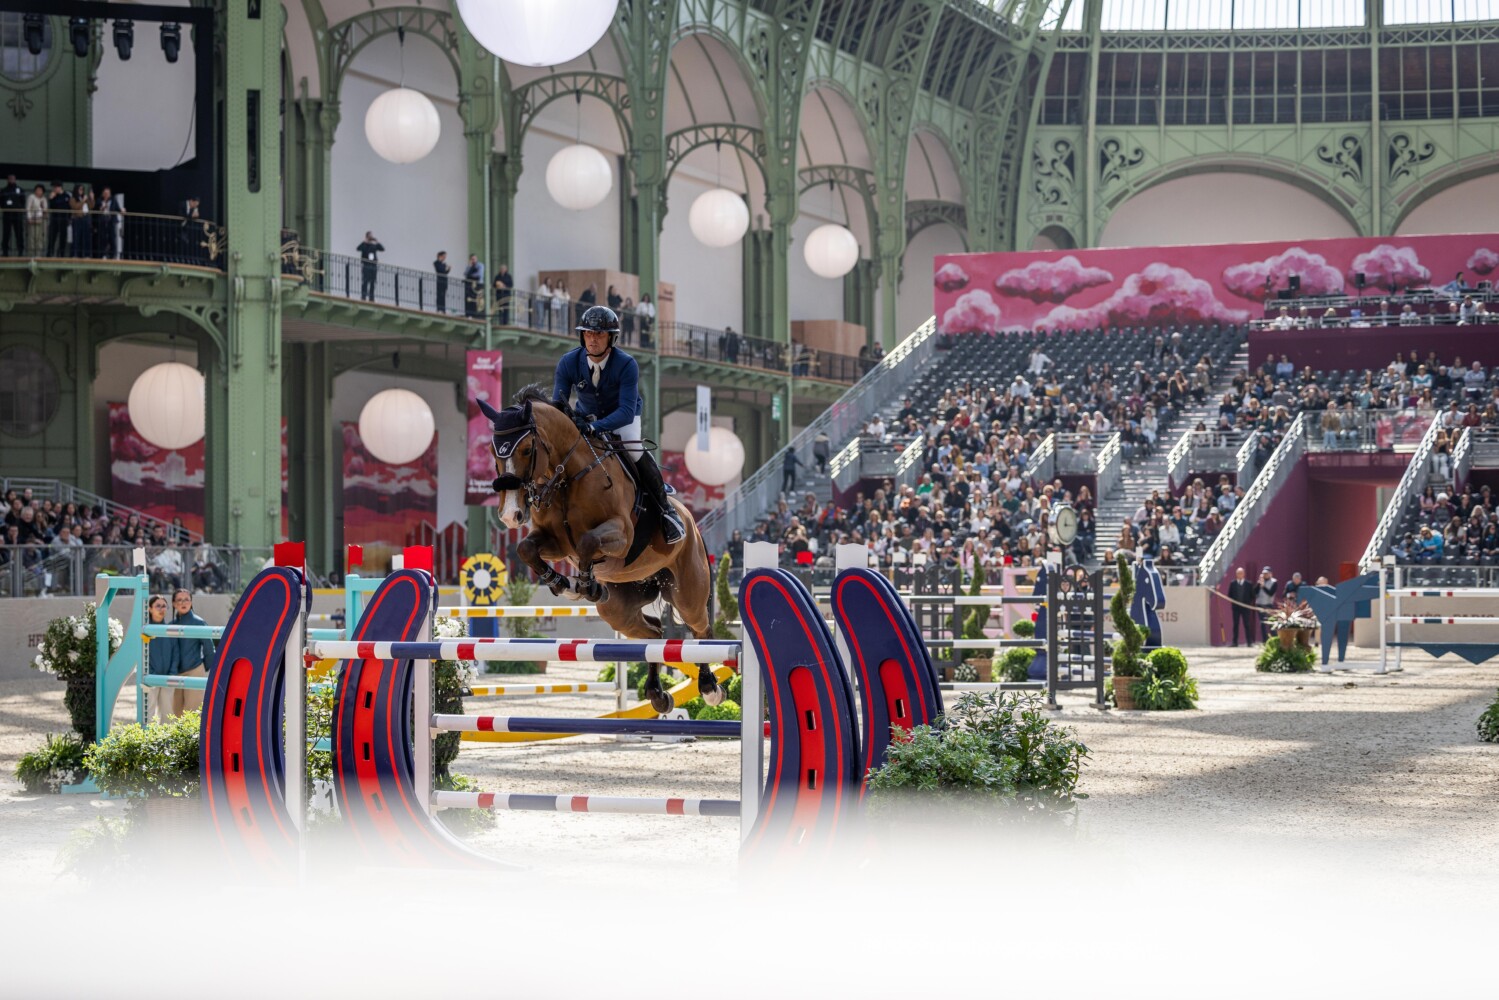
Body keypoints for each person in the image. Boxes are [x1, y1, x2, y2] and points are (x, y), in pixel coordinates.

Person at [552, 306, 684, 544]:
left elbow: (624, 411)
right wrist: (572, 421)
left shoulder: (626, 364)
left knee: (633, 448)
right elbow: (558, 404)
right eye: (588, 333)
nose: (592, 339)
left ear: (611, 338)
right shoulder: (568, 362)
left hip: (624, 416)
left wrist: (595, 428)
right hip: (586, 417)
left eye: (599, 334)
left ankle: (667, 511)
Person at [151, 589, 216, 722]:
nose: (183, 602)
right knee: (175, 713)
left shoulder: (199, 623)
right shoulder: (171, 625)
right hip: (176, 673)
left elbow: (209, 649)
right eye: (179, 600)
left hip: (194, 670)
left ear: (191, 602)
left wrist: (202, 668)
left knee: (193, 713)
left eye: (186, 599)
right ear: (174, 604)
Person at [1227, 566, 1257, 646]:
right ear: (1236, 574)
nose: (1239, 575)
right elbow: (1229, 595)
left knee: (1247, 624)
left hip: (1245, 608)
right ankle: (1235, 642)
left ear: (1243, 574)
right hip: (1236, 608)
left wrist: (1247, 603)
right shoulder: (1232, 583)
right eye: (1238, 573)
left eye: (1241, 573)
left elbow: (1252, 595)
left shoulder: (1248, 584)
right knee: (1235, 625)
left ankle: (1249, 642)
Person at [95, 186, 124, 259]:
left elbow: (117, 208)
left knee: (112, 238)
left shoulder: (113, 200)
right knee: (103, 238)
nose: (106, 195)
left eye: (108, 193)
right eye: (105, 193)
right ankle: (103, 254)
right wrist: (102, 208)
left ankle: (113, 255)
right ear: (102, 194)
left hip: (111, 221)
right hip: (102, 221)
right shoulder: (99, 200)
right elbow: (97, 209)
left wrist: (122, 211)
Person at [0, 174, 24, 256]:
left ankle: (20, 251)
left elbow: (23, 201)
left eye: (13, 179)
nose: (11, 180)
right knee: (6, 233)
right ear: (7, 180)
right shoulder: (3, 190)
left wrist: (19, 208)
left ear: (15, 179)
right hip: (7, 215)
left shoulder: (20, 190)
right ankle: (5, 251)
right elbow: (1, 202)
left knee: (19, 233)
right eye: (10, 179)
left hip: (17, 215)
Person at [356, 231, 384, 301]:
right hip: (366, 265)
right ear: (366, 237)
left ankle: (371, 297)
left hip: (373, 265)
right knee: (365, 281)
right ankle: (364, 296)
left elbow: (382, 249)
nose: (371, 238)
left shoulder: (373, 246)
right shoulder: (364, 245)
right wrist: (365, 241)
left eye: (371, 236)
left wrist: (377, 241)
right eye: (369, 236)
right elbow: (358, 248)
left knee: (372, 282)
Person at [69, 184, 94, 258]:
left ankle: (86, 254)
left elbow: (91, 206)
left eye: (82, 190)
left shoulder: (84, 198)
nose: (81, 191)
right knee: (77, 237)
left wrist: (91, 198)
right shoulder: (73, 198)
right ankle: (75, 254)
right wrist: (83, 201)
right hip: (77, 219)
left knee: (86, 237)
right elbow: (76, 207)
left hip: (86, 218)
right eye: (80, 189)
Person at [1255, 566, 1280, 636]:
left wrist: (1263, 587)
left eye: (1266, 573)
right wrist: (1258, 584)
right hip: (1259, 605)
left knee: (1271, 622)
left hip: (1268, 605)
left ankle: (1274, 638)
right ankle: (1264, 640)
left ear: (1270, 574)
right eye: (1264, 574)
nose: (1265, 575)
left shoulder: (1274, 582)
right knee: (1262, 623)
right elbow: (1255, 592)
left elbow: (1271, 593)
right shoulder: (1260, 582)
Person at [179, 195, 203, 263]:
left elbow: (194, 217)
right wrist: (191, 216)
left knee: (186, 243)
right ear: (191, 201)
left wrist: (196, 213)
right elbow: (181, 215)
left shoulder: (194, 208)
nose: (195, 206)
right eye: (195, 204)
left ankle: (186, 259)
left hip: (186, 229)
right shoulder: (182, 204)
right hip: (178, 227)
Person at [25, 183, 46, 256]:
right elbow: (28, 208)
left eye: (41, 190)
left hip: (41, 220)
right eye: (38, 190)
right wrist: (29, 218)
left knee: (40, 239)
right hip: (33, 220)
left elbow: (45, 210)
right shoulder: (31, 197)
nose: (39, 192)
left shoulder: (43, 199)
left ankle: (38, 255)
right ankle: (31, 255)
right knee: (32, 238)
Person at [464, 254, 484, 318]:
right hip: (469, 284)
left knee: (476, 299)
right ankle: (469, 314)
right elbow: (465, 274)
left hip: (478, 285)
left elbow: (479, 274)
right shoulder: (470, 266)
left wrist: (471, 275)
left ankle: (476, 315)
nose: (473, 260)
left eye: (474, 259)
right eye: (472, 259)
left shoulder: (480, 265)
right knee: (469, 299)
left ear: (476, 259)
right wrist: (469, 266)